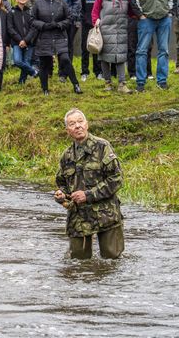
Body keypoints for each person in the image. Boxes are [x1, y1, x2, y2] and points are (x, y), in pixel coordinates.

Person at [54, 108, 125, 260]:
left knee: (112, 261)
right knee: (78, 263)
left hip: (106, 214)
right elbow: (62, 184)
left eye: (80, 122)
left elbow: (116, 178)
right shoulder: (66, 156)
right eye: (72, 124)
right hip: (79, 218)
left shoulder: (102, 146)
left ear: (87, 125)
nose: (77, 126)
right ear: (68, 130)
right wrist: (61, 196)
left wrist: (88, 195)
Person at [130, 0, 175, 92]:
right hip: (146, 19)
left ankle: (162, 81)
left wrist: (170, 11)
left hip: (164, 18)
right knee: (141, 51)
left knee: (164, 51)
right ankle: (141, 83)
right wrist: (140, 15)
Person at [30, 0, 82, 96]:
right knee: (45, 63)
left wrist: (59, 25)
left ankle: (76, 84)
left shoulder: (62, 2)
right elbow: (32, 20)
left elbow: (69, 18)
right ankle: (45, 89)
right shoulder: (38, 3)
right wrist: (43, 25)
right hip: (44, 36)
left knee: (65, 59)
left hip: (59, 35)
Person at [92, 0, 133, 94]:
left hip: (121, 30)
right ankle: (107, 83)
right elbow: (95, 11)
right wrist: (96, 21)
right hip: (105, 29)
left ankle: (122, 84)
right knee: (104, 57)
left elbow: (131, 12)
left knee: (121, 57)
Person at [50, 0, 82, 82]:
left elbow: (77, 2)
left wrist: (70, 17)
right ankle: (57, 71)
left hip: (69, 22)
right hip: (54, 22)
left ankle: (65, 73)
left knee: (68, 47)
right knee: (58, 47)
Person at [7, 0, 38, 84]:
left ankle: (22, 82)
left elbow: (33, 27)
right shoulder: (11, 12)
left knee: (27, 61)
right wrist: (20, 40)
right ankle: (34, 72)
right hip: (17, 42)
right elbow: (10, 28)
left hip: (29, 42)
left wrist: (26, 40)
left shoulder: (31, 11)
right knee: (17, 61)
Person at [79, 0, 102, 82]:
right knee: (85, 48)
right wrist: (84, 20)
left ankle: (98, 72)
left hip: (98, 23)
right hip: (86, 23)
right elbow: (80, 7)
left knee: (97, 47)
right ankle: (84, 72)